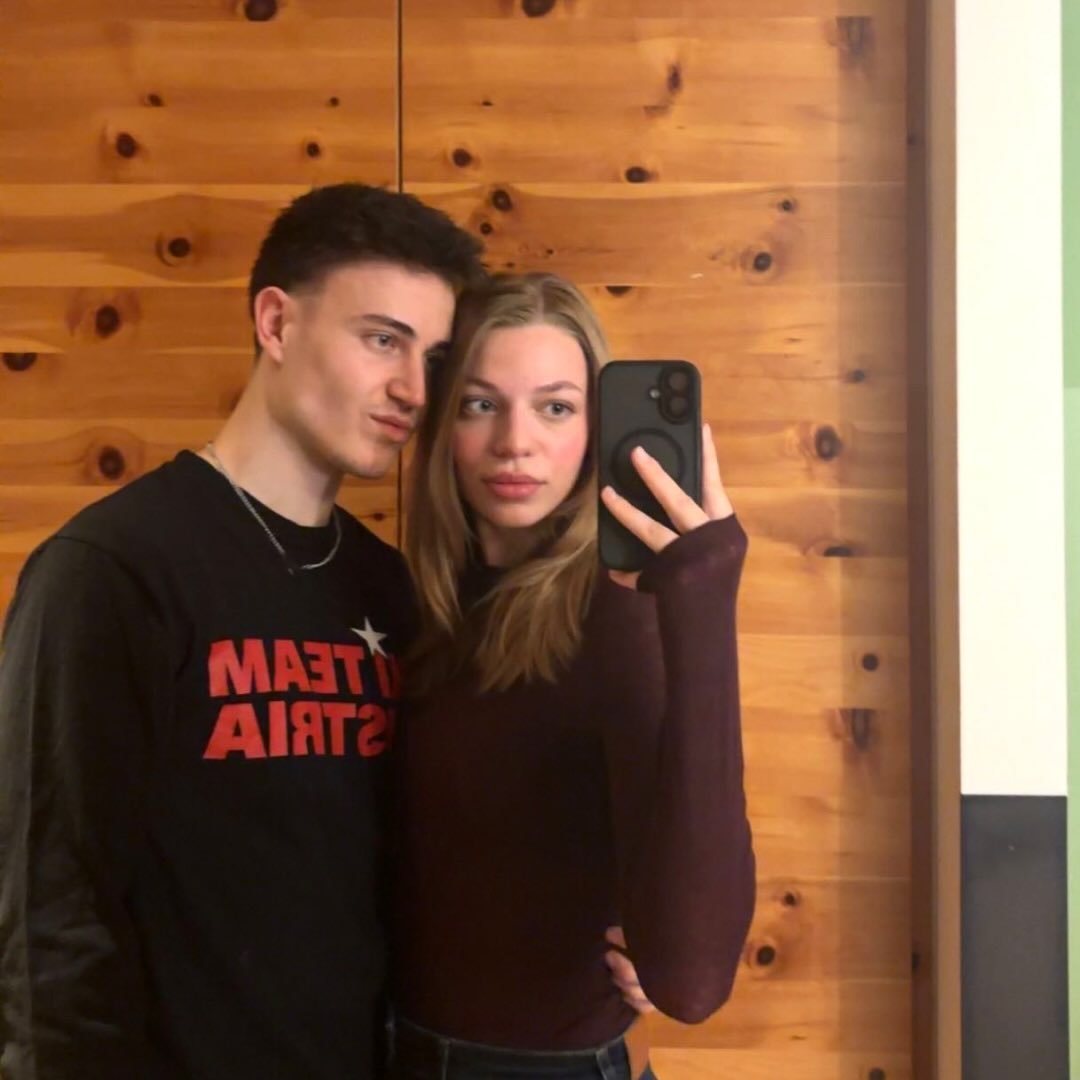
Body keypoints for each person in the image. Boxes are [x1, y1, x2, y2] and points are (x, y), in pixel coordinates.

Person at [0, 183, 484, 1079]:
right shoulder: (111, 570)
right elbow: (50, 911)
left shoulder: (391, 588)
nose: (413, 390)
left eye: (434, 356)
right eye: (382, 339)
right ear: (276, 322)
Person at [390, 272, 756, 1080]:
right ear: (443, 423)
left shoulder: (617, 621)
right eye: (480, 403)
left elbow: (693, 981)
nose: (514, 442)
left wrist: (701, 599)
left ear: (597, 429)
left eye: (555, 408)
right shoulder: (412, 607)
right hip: (394, 1049)